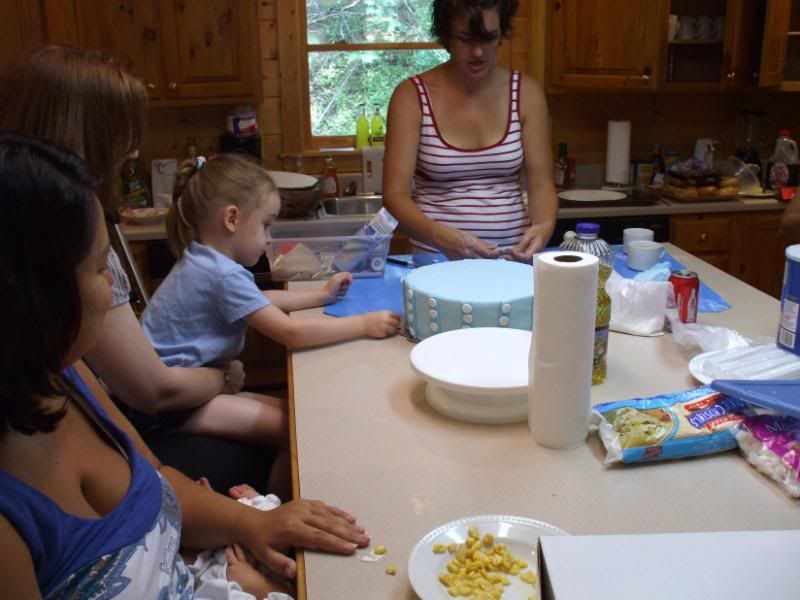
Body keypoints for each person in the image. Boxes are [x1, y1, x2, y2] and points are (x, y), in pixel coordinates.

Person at [0, 132, 370, 597]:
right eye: (100, 268)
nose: (117, 294)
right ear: (33, 293)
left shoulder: (72, 378)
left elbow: (157, 479)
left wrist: (255, 523)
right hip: (176, 411)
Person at [0, 45, 267, 491]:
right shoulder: (57, 244)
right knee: (267, 450)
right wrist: (222, 376)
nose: (134, 147)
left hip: (116, 425)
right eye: (120, 132)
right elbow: (152, 391)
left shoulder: (56, 222)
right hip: (129, 424)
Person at [140, 158, 400, 456]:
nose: (269, 238)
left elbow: (257, 299)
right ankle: (272, 501)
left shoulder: (204, 260)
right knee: (294, 432)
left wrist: (321, 296)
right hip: (174, 406)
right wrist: (363, 325)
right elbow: (290, 332)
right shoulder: (222, 274)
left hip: (186, 388)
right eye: (265, 225)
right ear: (232, 219)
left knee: (295, 415)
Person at [383, 0, 557, 262]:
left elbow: (541, 184)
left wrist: (543, 227)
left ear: (502, 34)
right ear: (446, 36)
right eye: (465, 39)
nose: (477, 52)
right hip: (436, 260)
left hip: (511, 261)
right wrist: (439, 235)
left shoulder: (526, 94)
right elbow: (394, 196)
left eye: (488, 38)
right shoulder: (411, 97)